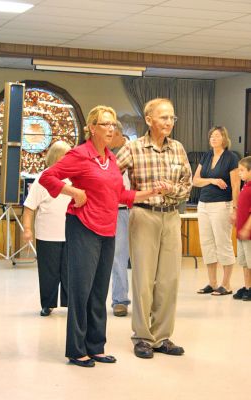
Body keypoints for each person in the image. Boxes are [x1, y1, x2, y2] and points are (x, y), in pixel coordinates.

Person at [39, 105, 166, 368]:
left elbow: (120, 195)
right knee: (81, 291)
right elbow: (48, 177)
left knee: (98, 292)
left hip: (108, 229)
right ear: (92, 128)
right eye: (105, 124)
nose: (111, 129)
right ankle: (76, 350)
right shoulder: (79, 155)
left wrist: (150, 192)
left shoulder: (110, 159)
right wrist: (73, 192)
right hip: (83, 227)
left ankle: (95, 347)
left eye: (113, 124)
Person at [116, 98, 192, 359]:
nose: (169, 122)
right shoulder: (133, 148)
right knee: (143, 280)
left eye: (172, 118)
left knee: (169, 280)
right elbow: (111, 178)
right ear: (149, 120)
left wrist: (173, 191)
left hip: (171, 217)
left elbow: (187, 184)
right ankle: (143, 337)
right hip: (144, 216)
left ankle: (162, 336)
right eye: (164, 117)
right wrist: (130, 196)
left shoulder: (178, 149)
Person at [23, 140, 71, 316]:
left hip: (72, 235)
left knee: (70, 272)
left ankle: (70, 303)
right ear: (56, 158)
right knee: (48, 273)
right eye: (66, 156)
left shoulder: (75, 178)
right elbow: (29, 207)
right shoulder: (42, 179)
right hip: (47, 235)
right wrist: (27, 229)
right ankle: (48, 304)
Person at [193, 126, 240, 296]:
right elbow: (195, 181)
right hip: (203, 205)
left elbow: (236, 185)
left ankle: (226, 284)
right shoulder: (206, 156)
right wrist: (212, 180)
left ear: (224, 139)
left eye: (217, 136)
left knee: (223, 244)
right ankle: (212, 283)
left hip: (222, 205)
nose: (213, 138)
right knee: (207, 245)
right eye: (211, 135)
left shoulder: (231, 157)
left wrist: (235, 208)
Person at [109, 122, 131, 317]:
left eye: (110, 134)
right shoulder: (107, 155)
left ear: (118, 133)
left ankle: (146, 302)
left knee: (144, 259)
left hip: (141, 209)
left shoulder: (136, 149)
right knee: (118, 257)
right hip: (119, 210)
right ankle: (120, 299)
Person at [233, 156, 251, 301]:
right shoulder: (245, 185)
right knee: (245, 263)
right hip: (241, 233)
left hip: (248, 233)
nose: (239, 173)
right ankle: (247, 287)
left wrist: (247, 227)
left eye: (242, 170)